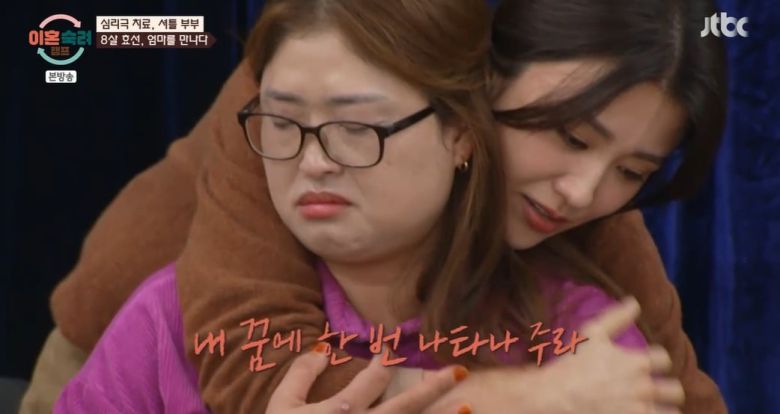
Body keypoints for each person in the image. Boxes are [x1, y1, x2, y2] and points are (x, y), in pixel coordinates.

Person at [20, 0, 726, 413]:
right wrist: (505, 400)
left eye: (632, 171)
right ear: (474, 96)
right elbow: (255, 363)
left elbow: (672, 376)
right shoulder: (305, 98)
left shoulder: (581, 246)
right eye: (570, 136)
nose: (583, 192)